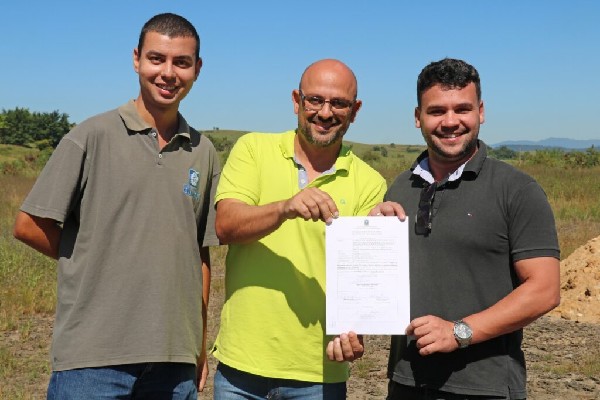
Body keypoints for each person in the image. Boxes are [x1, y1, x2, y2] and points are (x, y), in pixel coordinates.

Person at [13, 13, 219, 399]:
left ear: (197, 69)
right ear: (136, 59)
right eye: (156, 59)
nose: (168, 73)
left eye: (181, 62)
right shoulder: (91, 136)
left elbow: (200, 253)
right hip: (92, 358)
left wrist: (199, 343)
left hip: (173, 361)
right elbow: (28, 225)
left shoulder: (202, 151)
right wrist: (93, 259)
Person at [370, 58, 561, 399]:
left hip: (484, 387)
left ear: (480, 112)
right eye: (436, 111)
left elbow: (544, 290)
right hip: (406, 381)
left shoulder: (516, 190)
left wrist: (460, 332)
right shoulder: (400, 188)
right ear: (417, 117)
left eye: (462, 109)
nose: (450, 121)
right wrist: (372, 237)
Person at [211, 59, 387, 399]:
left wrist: (356, 330)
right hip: (242, 367)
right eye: (315, 100)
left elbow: (362, 279)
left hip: (318, 371)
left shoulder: (370, 182)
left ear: (355, 111)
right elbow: (225, 225)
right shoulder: (253, 149)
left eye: (339, 103)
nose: (325, 112)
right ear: (297, 101)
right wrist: (284, 207)